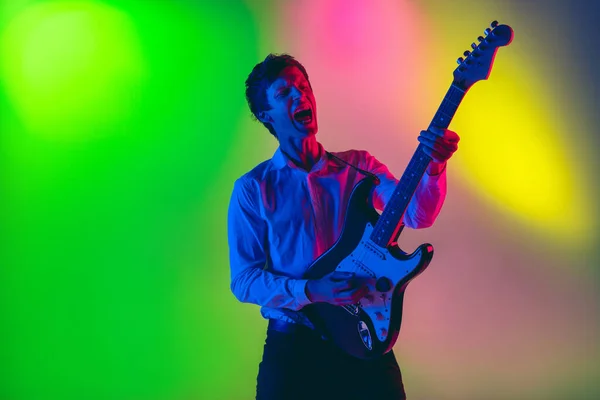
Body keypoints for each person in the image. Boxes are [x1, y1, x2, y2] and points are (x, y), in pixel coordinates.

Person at [227, 53, 459, 400]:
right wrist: (312, 291)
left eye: (304, 88)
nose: (300, 97)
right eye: (284, 93)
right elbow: (244, 281)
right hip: (295, 343)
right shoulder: (253, 189)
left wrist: (435, 167)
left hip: (363, 335)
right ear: (265, 115)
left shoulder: (359, 167)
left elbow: (416, 215)